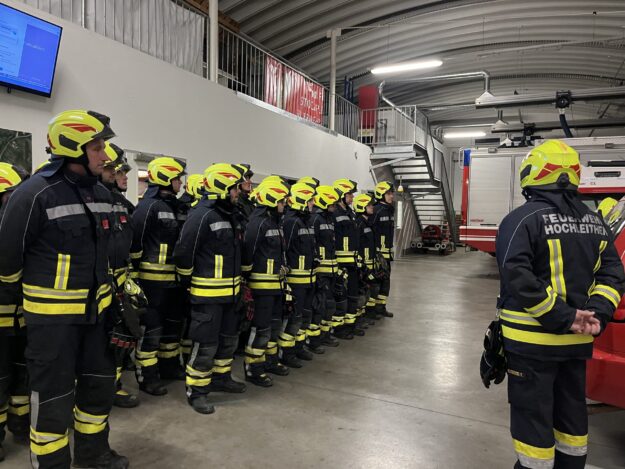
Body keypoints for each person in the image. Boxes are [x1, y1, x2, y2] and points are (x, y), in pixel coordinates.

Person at [0, 110, 128, 468]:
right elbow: (7, 260)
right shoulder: (34, 194)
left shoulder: (101, 193)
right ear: (73, 147)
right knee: (52, 399)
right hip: (53, 325)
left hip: (97, 317)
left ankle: (93, 453)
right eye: (97, 147)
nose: (104, 155)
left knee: (98, 389)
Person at [495, 140, 625, 469]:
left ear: (534, 173)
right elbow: (613, 275)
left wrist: (563, 317)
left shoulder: (521, 220)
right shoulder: (596, 223)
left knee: (533, 422)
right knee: (571, 420)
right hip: (577, 344)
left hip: (531, 345)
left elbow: (517, 276)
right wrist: (596, 315)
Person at [173, 163, 247, 414]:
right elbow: (184, 252)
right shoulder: (202, 215)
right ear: (223, 188)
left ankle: (221, 378)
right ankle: (197, 391)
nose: (238, 192)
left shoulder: (231, 215)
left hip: (231, 295)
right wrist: (187, 283)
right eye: (235, 188)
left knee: (228, 342)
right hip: (208, 297)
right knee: (205, 346)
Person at [130, 156, 187, 395]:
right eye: (177, 179)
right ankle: (147, 376)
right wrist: (134, 274)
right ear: (165, 178)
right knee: (151, 330)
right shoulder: (148, 206)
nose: (181, 183)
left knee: (172, 327)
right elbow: (135, 240)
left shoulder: (176, 206)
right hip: (152, 282)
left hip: (173, 281)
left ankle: (169, 366)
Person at [101, 143, 140, 409]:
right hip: (98, 283)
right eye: (121, 171)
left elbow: (131, 246)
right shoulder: (93, 201)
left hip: (120, 282)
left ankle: (112, 386)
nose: (125, 176)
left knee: (120, 338)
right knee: (98, 342)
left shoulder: (123, 205)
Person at [243, 179, 291, 386]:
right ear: (271, 200)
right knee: (261, 329)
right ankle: (253, 368)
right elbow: (249, 252)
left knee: (273, 326)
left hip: (276, 287)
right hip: (262, 288)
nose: (284, 205)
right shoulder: (258, 222)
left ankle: (270, 361)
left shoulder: (275, 222)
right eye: (281, 201)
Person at [0, 163, 30, 461]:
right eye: (11, 196)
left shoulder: (15, 230)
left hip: (21, 317)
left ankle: (20, 423)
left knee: (23, 375)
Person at [280, 182, 318, 367]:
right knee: (294, 318)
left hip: (308, 279)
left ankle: (298, 347)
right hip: (296, 280)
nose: (313, 203)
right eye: (310, 200)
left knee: (304, 316)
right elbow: (286, 250)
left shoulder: (306, 221)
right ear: (302, 200)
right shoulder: (291, 222)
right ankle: (286, 353)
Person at [176, 173, 206, 366]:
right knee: (183, 321)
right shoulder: (186, 209)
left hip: (191, 273)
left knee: (188, 321)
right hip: (184, 274)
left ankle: (186, 356)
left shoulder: (194, 209)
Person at [309, 185, 341, 349]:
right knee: (320, 306)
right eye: (332, 204)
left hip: (331, 271)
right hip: (321, 272)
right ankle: (314, 340)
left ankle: (326, 334)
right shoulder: (316, 219)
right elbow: (312, 243)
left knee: (329, 305)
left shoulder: (329, 219)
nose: (334, 207)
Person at [332, 178, 363, 339]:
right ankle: (339, 329)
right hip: (341, 263)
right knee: (341, 297)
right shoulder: (334, 213)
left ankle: (351, 325)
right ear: (341, 195)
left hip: (353, 263)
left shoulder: (350, 213)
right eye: (349, 194)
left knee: (352, 295)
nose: (352, 197)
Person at [353, 193, 380, 324]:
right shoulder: (358, 224)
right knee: (361, 292)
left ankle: (364, 316)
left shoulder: (368, 223)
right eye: (369, 205)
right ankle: (358, 319)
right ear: (361, 207)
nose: (372, 207)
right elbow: (357, 246)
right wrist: (361, 265)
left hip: (370, 263)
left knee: (368, 291)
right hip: (363, 265)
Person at [371, 181, 395, 318]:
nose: (391, 196)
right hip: (378, 255)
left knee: (386, 282)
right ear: (381, 194)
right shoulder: (376, 210)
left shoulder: (389, 210)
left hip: (387, 254)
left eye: (392, 193)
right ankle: (372, 310)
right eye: (388, 193)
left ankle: (381, 307)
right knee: (376, 282)